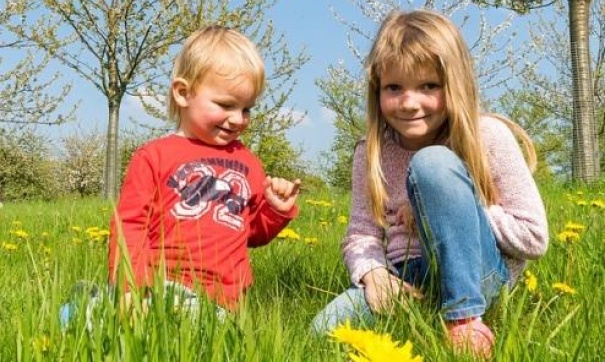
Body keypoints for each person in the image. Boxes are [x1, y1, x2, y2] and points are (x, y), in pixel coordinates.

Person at [311, 9, 548, 358]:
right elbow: (361, 233)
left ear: (455, 85)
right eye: (394, 87)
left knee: (432, 164)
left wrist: (446, 209)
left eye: (429, 86)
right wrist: (374, 274)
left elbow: (534, 237)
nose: (409, 103)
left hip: (480, 274)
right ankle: (426, 311)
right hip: (407, 277)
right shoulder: (369, 152)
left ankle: (464, 320)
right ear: (377, 89)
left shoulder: (489, 137)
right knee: (324, 331)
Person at [107, 25, 301, 314]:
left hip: (225, 301)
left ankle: (93, 310)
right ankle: (96, 309)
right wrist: (131, 287)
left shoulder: (247, 162)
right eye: (226, 105)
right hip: (161, 287)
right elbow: (129, 226)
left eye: (247, 109)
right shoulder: (154, 156)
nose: (238, 119)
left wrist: (275, 210)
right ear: (184, 93)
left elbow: (254, 233)